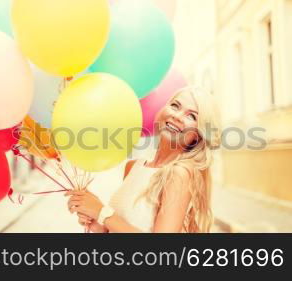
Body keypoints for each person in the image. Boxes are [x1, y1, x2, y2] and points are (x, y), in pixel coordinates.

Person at [65, 87, 221, 233]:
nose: (177, 116)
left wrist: (102, 212)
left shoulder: (179, 174)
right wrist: (98, 223)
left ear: (198, 136)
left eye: (191, 116)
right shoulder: (134, 166)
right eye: (175, 105)